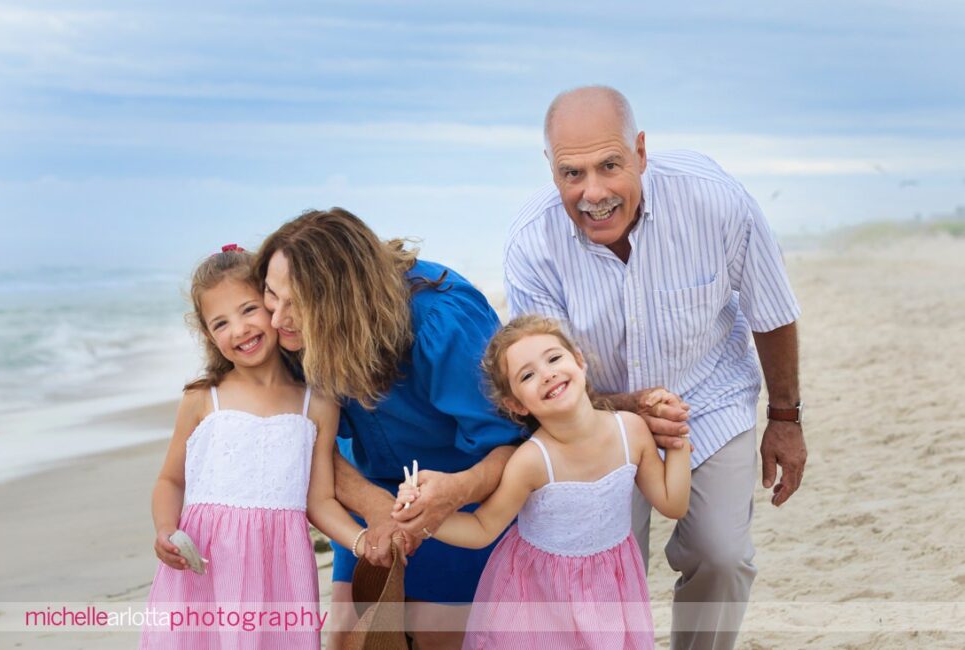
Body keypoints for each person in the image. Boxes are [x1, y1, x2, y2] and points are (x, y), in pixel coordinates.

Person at [504, 86, 806, 649]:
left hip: (709, 398)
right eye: (572, 174)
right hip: (593, 419)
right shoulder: (531, 244)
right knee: (606, 576)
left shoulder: (715, 199)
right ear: (550, 169)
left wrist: (785, 418)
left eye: (610, 166)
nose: (593, 192)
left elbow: (773, 309)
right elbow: (544, 375)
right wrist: (624, 409)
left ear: (640, 152)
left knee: (722, 556)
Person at [255, 209, 523, 649]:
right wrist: (375, 506)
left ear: (343, 302)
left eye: (297, 305)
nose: (277, 318)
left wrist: (452, 494)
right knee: (348, 632)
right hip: (369, 488)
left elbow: (513, 444)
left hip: (466, 496)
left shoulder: (442, 320)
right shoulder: (285, 331)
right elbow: (305, 441)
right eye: (271, 294)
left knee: (439, 634)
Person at [395, 315, 691, 648]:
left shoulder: (631, 430)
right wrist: (425, 518)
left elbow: (673, 503)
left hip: (612, 584)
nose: (547, 374)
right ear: (516, 404)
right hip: (539, 594)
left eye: (554, 358)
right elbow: (482, 527)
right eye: (528, 375)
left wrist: (679, 440)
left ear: (579, 361)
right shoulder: (533, 461)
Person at [141, 245, 371, 649]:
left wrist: (361, 542)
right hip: (205, 573)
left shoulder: (316, 403)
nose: (239, 330)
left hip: (279, 576)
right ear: (208, 335)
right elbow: (170, 480)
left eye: (249, 309)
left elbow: (319, 501)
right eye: (220, 323)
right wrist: (165, 529)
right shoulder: (202, 399)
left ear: (273, 304)